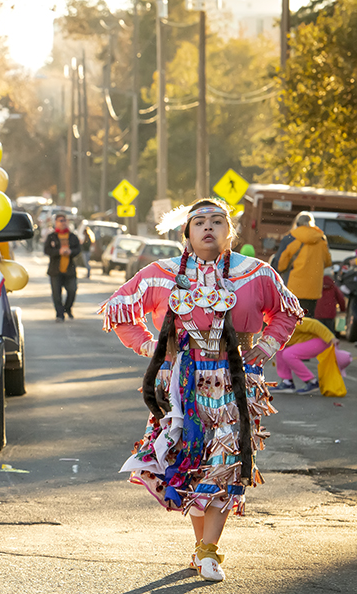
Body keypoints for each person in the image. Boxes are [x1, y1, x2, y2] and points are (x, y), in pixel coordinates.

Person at [99, 199, 303, 582]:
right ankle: (202, 548)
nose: (208, 228)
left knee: (225, 464)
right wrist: (151, 348)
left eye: (217, 221)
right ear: (187, 234)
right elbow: (121, 310)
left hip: (233, 383)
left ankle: (209, 550)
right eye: (199, 222)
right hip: (181, 386)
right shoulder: (161, 274)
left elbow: (287, 312)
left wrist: (267, 346)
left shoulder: (255, 273)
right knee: (190, 466)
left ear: (230, 233)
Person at [271, 317, 352, 394]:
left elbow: (315, 325)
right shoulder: (276, 325)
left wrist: (331, 338)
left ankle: (312, 381)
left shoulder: (293, 321)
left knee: (288, 354)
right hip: (308, 341)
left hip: (321, 340)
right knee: (280, 349)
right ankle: (287, 382)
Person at [277, 211, 332, 316]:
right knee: (308, 318)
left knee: (291, 317)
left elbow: (281, 264)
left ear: (297, 223)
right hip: (313, 287)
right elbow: (328, 262)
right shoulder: (321, 239)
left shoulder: (291, 238)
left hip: (293, 286)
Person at [43, 214, 81, 321]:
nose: (63, 222)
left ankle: (67, 308)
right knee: (56, 294)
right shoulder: (52, 236)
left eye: (64, 220)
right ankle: (59, 314)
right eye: (60, 220)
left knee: (72, 290)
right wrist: (58, 252)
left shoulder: (72, 236)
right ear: (56, 222)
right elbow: (47, 250)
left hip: (69, 270)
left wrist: (71, 252)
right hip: (55, 270)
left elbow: (78, 249)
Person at [315, 268, 346, 334]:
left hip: (318, 313)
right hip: (330, 314)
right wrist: (343, 309)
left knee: (318, 334)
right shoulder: (334, 287)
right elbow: (341, 299)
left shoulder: (317, 286)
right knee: (330, 334)